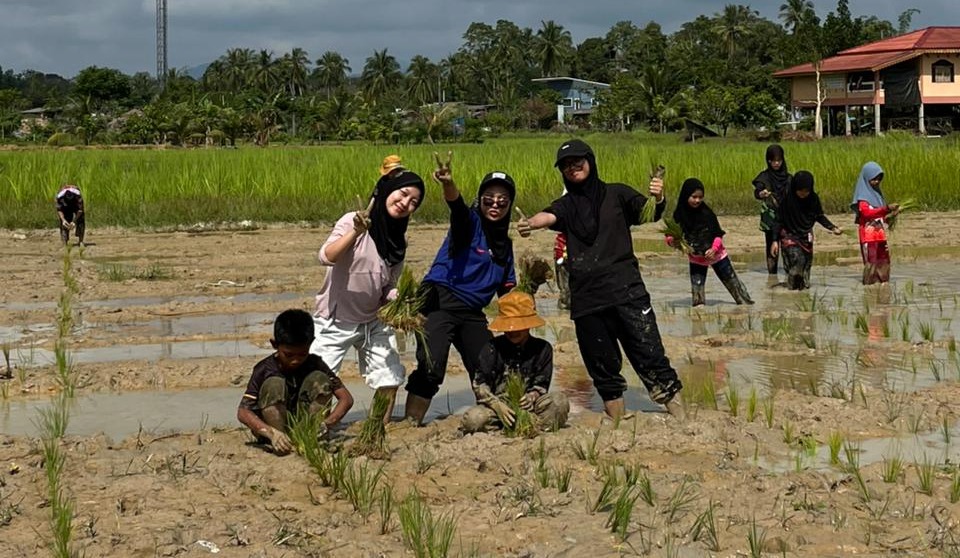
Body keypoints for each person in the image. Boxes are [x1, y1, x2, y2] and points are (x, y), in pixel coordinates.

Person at [516, 139, 683, 420]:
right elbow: (549, 215)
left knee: (650, 353)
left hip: (627, 291)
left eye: (578, 161)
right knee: (601, 364)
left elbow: (649, 213)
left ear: (590, 161)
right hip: (587, 299)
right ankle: (618, 420)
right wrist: (530, 223)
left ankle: (683, 418)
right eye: (566, 165)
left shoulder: (617, 194)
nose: (573, 167)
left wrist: (658, 197)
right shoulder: (567, 205)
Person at [310, 156, 426, 424]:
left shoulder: (398, 241)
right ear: (388, 189)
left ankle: (377, 431)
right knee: (318, 380)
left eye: (414, 203)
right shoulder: (354, 220)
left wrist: (402, 302)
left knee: (390, 377)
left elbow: (387, 287)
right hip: (335, 319)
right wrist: (356, 231)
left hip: (374, 321)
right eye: (404, 193)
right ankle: (313, 428)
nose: (405, 203)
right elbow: (326, 257)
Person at [403, 153, 517, 425]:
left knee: (487, 367)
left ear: (509, 205)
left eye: (502, 200)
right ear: (481, 199)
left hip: (471, 311)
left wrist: (522, 320)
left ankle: (494, 419)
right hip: (439, 300)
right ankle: (410, 424)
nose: (495, 204)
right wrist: (447, 183)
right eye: (489, 198)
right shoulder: (470, 223)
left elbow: (508, 291)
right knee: (432, 367)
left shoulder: (505, 245)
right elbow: (456, 205)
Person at [238, 309, 353, 455]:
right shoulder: (264, 369)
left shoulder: (316, 364)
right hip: (274, 431)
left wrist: (327, 424)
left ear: (311, 344)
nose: (296, 360)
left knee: (320, 379)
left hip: (306, 427)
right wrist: (271, 433)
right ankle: (282, 442)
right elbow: (243, 411)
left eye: (302, 354)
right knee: (273, 384)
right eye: (289, 354)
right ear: (275, 345)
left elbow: (346, 399)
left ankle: (311, 437)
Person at [462, 290, 569, 433]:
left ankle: (534, 427)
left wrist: (532, 396)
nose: (513, 331)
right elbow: (479, 384)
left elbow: (541, 385)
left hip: (530, 407)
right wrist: (496, 405)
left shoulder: (543, 348)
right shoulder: (492, 348)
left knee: (559, 402)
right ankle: (503, 427)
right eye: (509, 327)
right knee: (474, 419)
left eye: (519, 326)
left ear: (529, 325)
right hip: (498, 406)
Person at [667, 178, 753, 307]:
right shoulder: (679, 215)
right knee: (697, 298)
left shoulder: (707, 213)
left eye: (700, 197)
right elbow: (670, 236)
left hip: (717, 256)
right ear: (686, 196)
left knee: (738, 293)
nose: (697, 200)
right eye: (694, 197)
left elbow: (718, 235)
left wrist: (713, 249)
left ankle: (747, 309)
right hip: (696, 259)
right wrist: (672, 242)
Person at [770, 171, 843, 291]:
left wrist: (832, 227)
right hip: (789, 236)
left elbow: (819, 216)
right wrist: (774, 241)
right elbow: (778, 221)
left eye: (806, 191)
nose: (803, 194)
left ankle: (801, 296)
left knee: (806, 268)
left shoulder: (813, 199)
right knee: (798, 261)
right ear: (794, 188)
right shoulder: (786, 201)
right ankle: (792, 291)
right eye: (800, 191)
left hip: (806, 236)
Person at [851, 161, 898, 285]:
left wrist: (891, 215)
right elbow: (867, 214)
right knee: (871, 262)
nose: (876, 182)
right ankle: (869, 285)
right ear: (866, 179)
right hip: (868, 237)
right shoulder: (863, 198)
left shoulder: (878, 196)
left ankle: (883, 284)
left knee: (883, 260)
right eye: (874, 179)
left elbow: (882, 216)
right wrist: (886, 209)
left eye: (879, 179)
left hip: (880, 235)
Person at [752, 145, 791, 276]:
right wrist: (761, 193)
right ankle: (772, 275)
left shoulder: (788, 178)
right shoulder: (764, 177)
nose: (776, 163)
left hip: (786, 216)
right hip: (771, 216)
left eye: (779, 160)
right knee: (771, 246)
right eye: (773, 160)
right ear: (768, 160)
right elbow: (757, 191)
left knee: (787, 245)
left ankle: (789, 272)